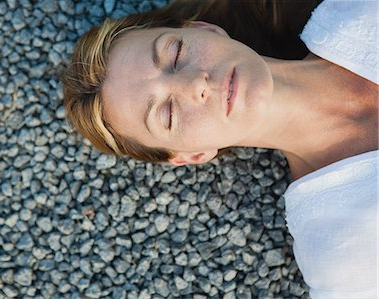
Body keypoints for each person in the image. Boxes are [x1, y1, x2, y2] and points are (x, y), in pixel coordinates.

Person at [62, 0, 378, 298]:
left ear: (204, 29)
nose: (195, 84)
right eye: (168, 113)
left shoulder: (359, 12)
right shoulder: (340, 252)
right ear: (193, 155)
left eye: (175, 55)